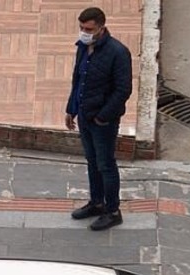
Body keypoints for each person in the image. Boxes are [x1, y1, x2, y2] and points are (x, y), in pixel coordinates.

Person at [65, 6, 133, 231]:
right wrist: (71, 109)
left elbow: (123, 90)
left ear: (101, 28)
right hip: (84, 116)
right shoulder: (83, 47)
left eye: (88, 29)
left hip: (102, 121)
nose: (84, 32)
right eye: (81, 27)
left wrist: (104, 117)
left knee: (105, 164)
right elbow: (78, 80)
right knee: (92, 162)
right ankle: (96, 202)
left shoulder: (118, 53)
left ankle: (112, 210)